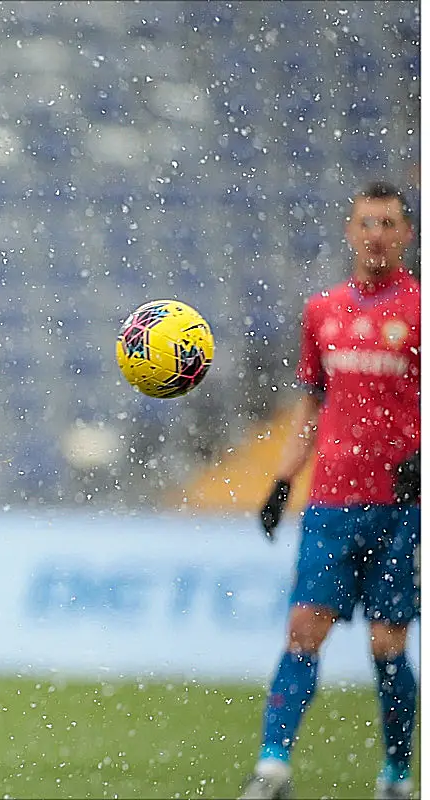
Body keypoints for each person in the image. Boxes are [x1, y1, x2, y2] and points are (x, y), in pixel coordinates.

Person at [239, 181, 420, 800]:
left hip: (400, 507)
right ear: (350, 233)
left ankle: (397, 775)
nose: (376, 235)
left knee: (386, 644)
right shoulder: (323, 312)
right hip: (332, 502)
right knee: (302, 631)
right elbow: (312, 406)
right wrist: (281, 481)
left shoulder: (420, 310)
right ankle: (272, 767)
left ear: (406, 235)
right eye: (366, 224)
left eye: (388, 224)